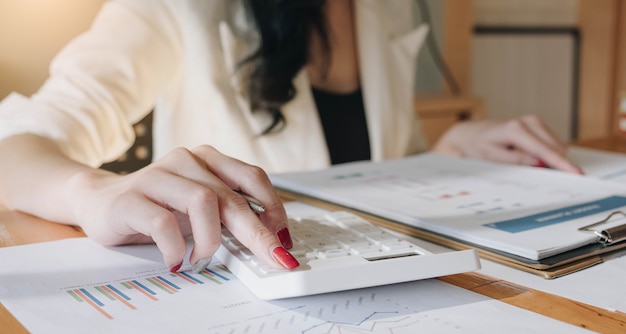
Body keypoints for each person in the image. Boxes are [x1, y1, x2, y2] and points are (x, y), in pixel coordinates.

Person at [0, 0, 581, 275]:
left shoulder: (388, 10)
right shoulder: (175, 8)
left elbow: (368, 165)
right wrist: (92, 191)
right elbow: (16, 144)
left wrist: (449, 150)